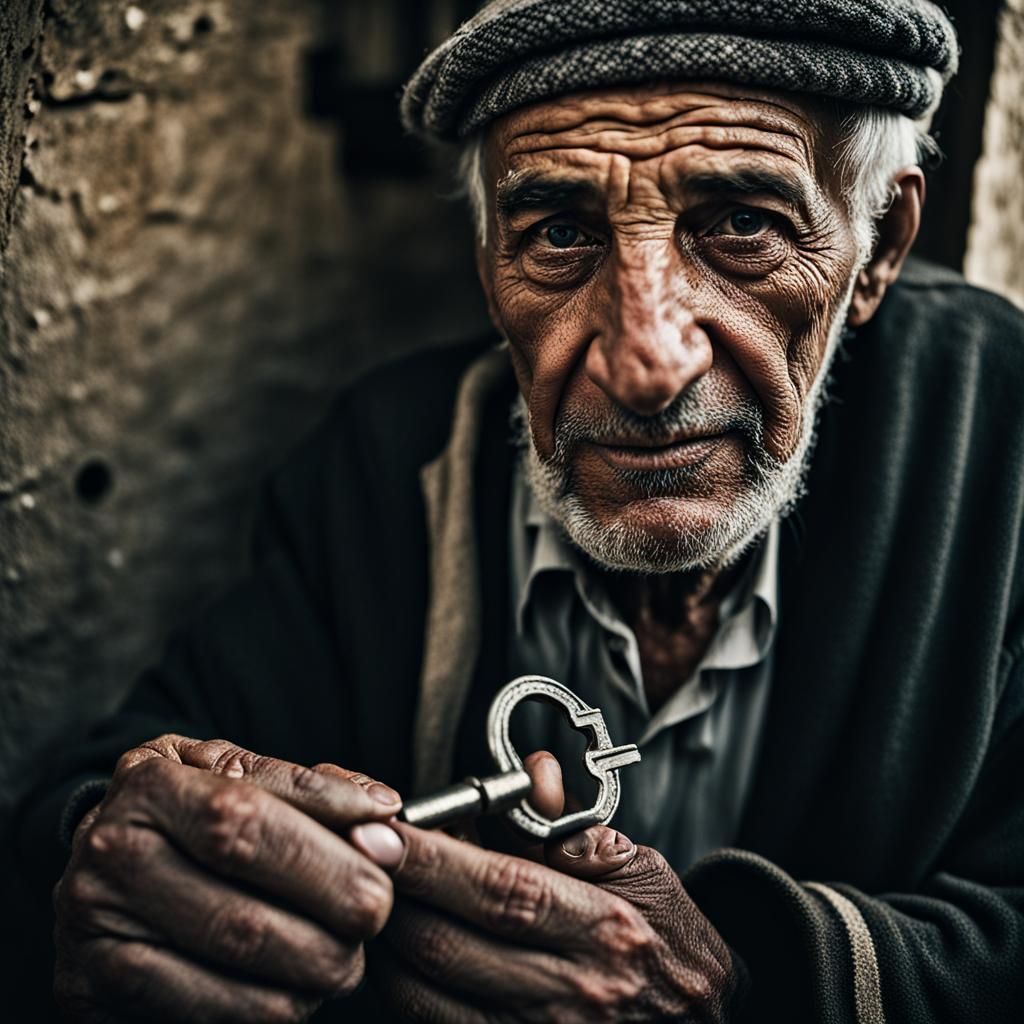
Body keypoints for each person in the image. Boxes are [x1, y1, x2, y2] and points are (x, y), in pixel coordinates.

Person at [14, 1, 1024, 1021]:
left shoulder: (1003, 437)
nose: (645, 364)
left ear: (879, 244)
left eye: (742, 226)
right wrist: (115, 859)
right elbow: (112, 799)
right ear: (489, 265)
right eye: (560, 234)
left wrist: (757, 984)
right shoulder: (385, 466)